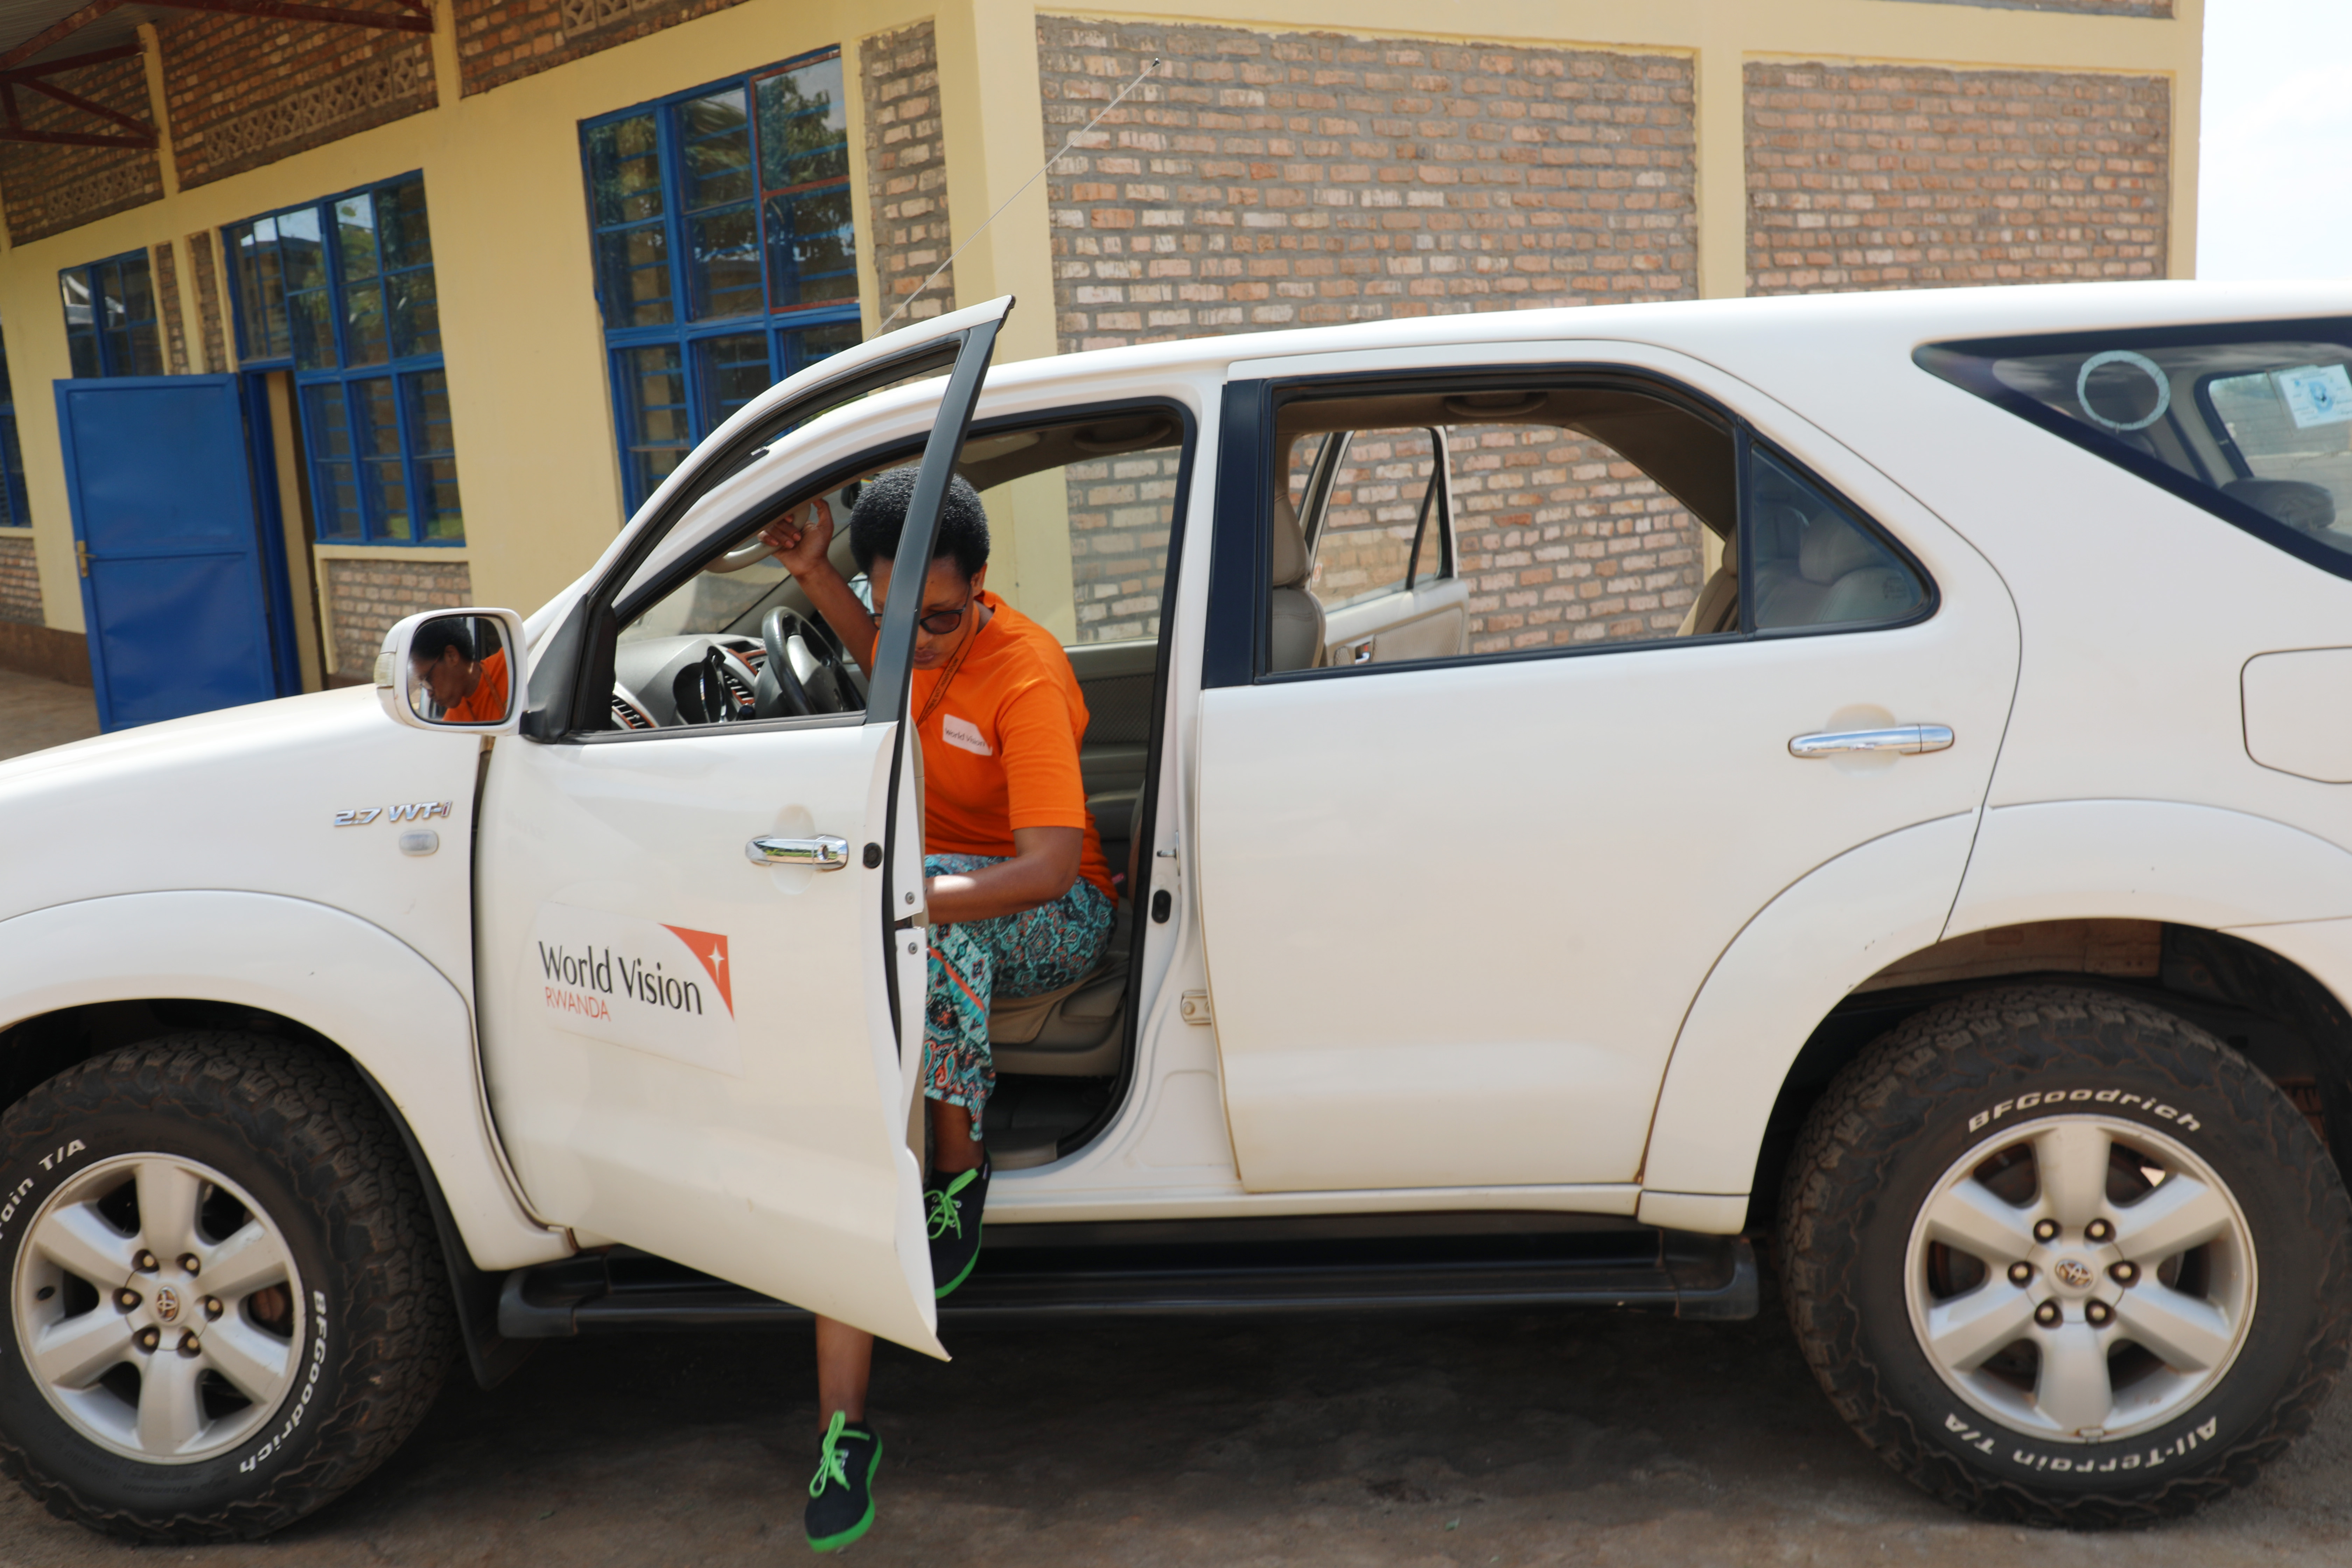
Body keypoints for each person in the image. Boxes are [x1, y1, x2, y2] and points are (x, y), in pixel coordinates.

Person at [757, 465, 1116, 1553]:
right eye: (901, 613)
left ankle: (959, 1167)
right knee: (854, 1109)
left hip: (1059, 909)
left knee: (928, 926)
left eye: (944, 616)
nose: (920, 639)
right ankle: (842, 1432)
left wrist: (912, 900)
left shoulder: (1024, 671)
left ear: (982, 588)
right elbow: (881, 654)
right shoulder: (909, 638)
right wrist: (814, 571)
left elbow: (1051, 863)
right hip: (940, 888)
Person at [408, 619, 509, 724]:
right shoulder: (454, 721)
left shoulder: (508, 664)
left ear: (452, 656)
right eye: (423, 684)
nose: (430, 694)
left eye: (428, 680)